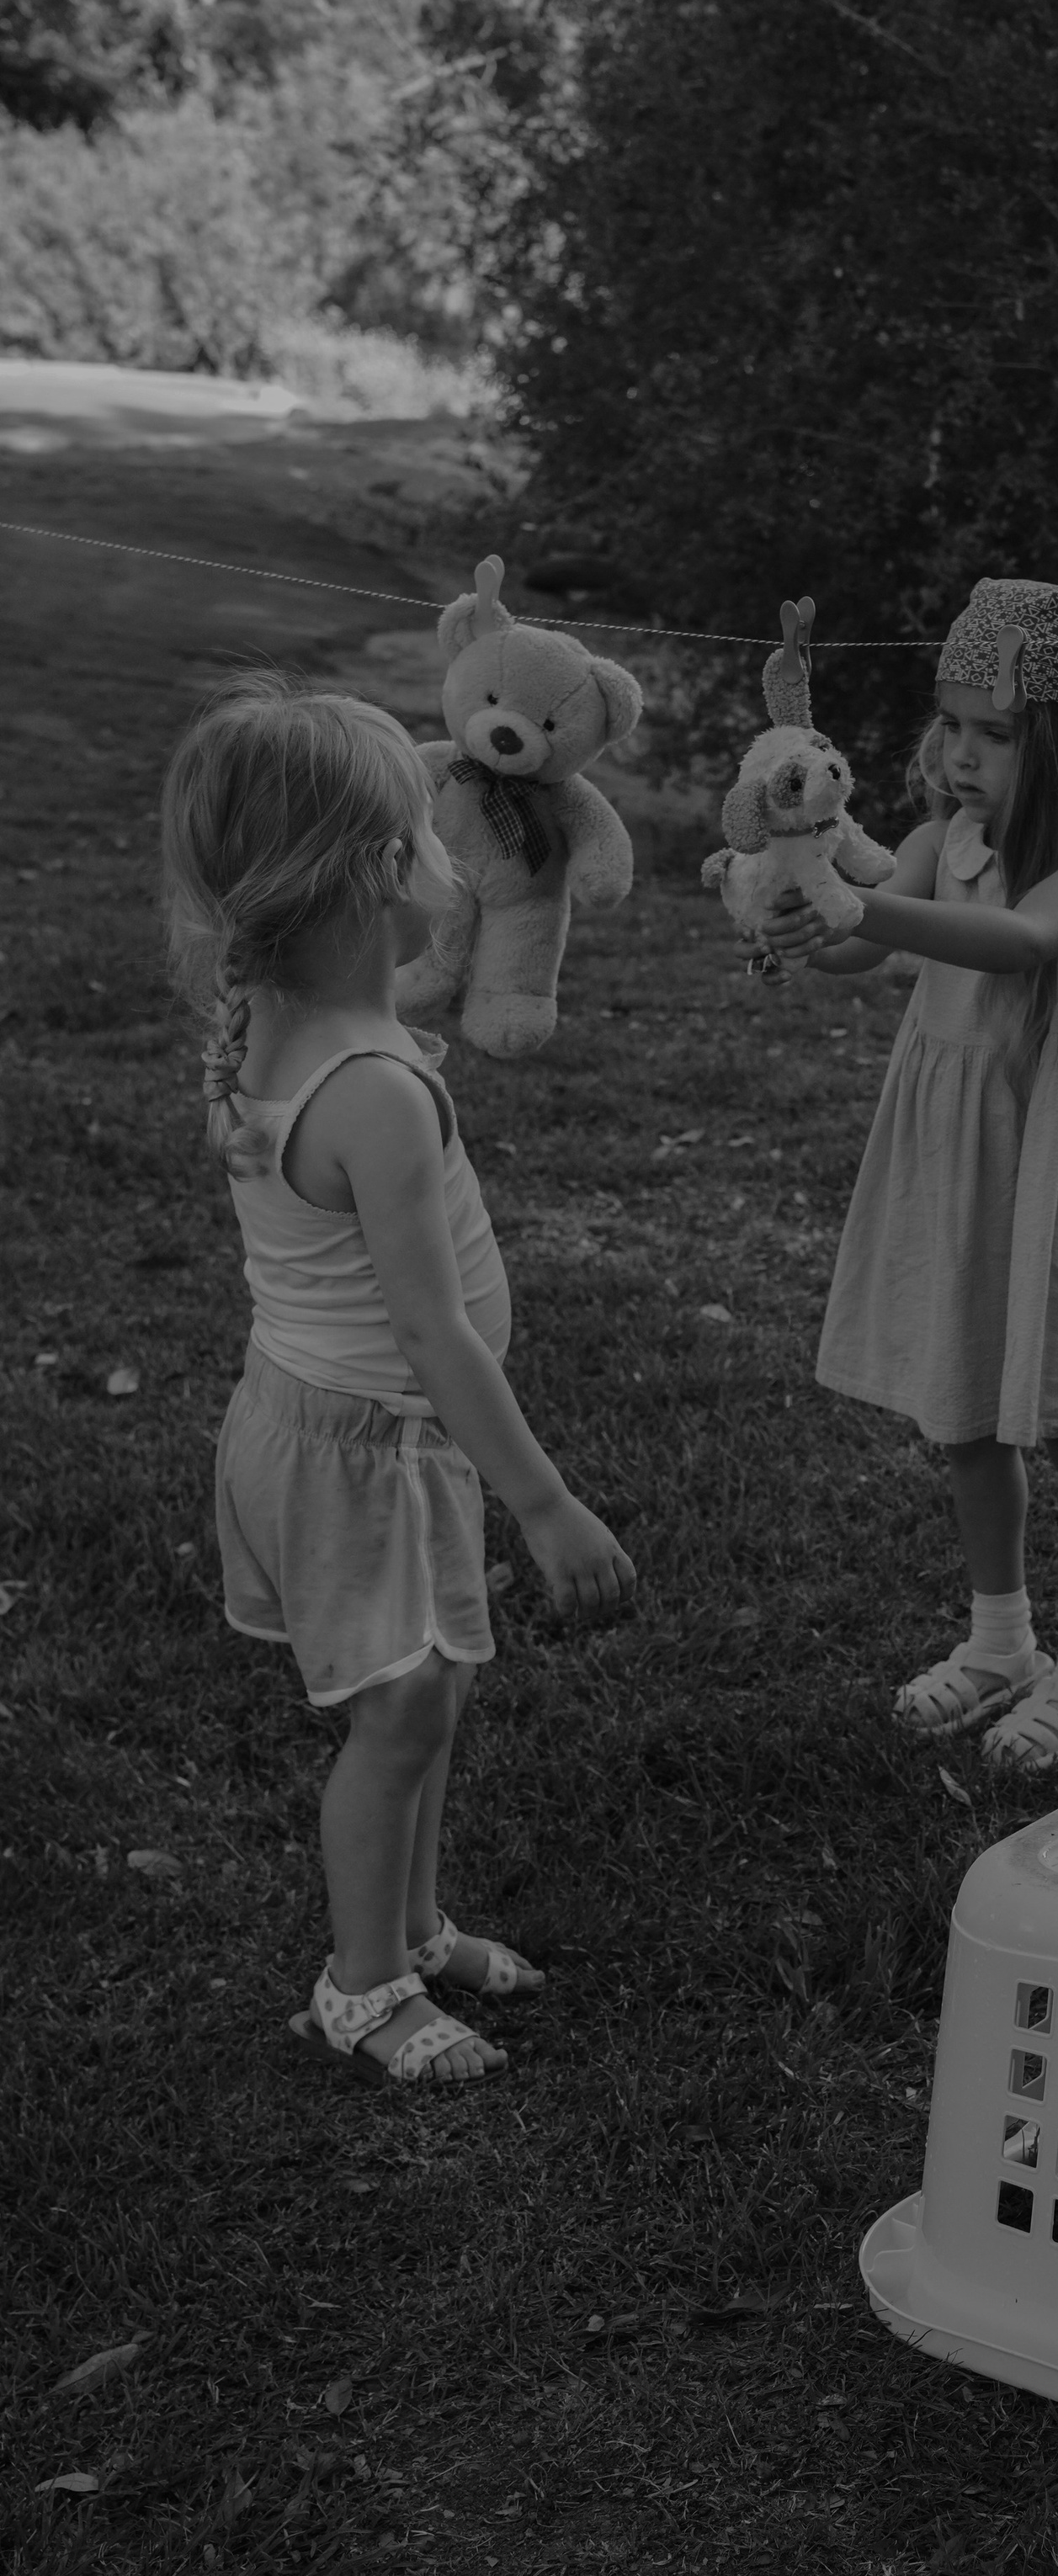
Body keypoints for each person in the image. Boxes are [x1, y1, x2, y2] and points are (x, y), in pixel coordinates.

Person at [163, 674, 635, 2087]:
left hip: (340, 1427)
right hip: (363, 1443)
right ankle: (361, 1985)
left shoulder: (282, 1031)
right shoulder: (372, 1085)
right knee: (401, 1710)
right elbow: (434, 1331)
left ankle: (417, 1926)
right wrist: (543, 1503)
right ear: (385, 873)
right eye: (433, 830)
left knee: (430, 1688)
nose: (453, 853)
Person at [772, 577, 1058, 1768]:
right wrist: (803, 903)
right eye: (952, 724)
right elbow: (858, 949)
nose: (960, 756)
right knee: (965, 1413)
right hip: (964, 1162)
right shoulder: (936, 841)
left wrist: (859, 900)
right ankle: (1000, 1639)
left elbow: (1019, 941)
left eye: (995, 733)